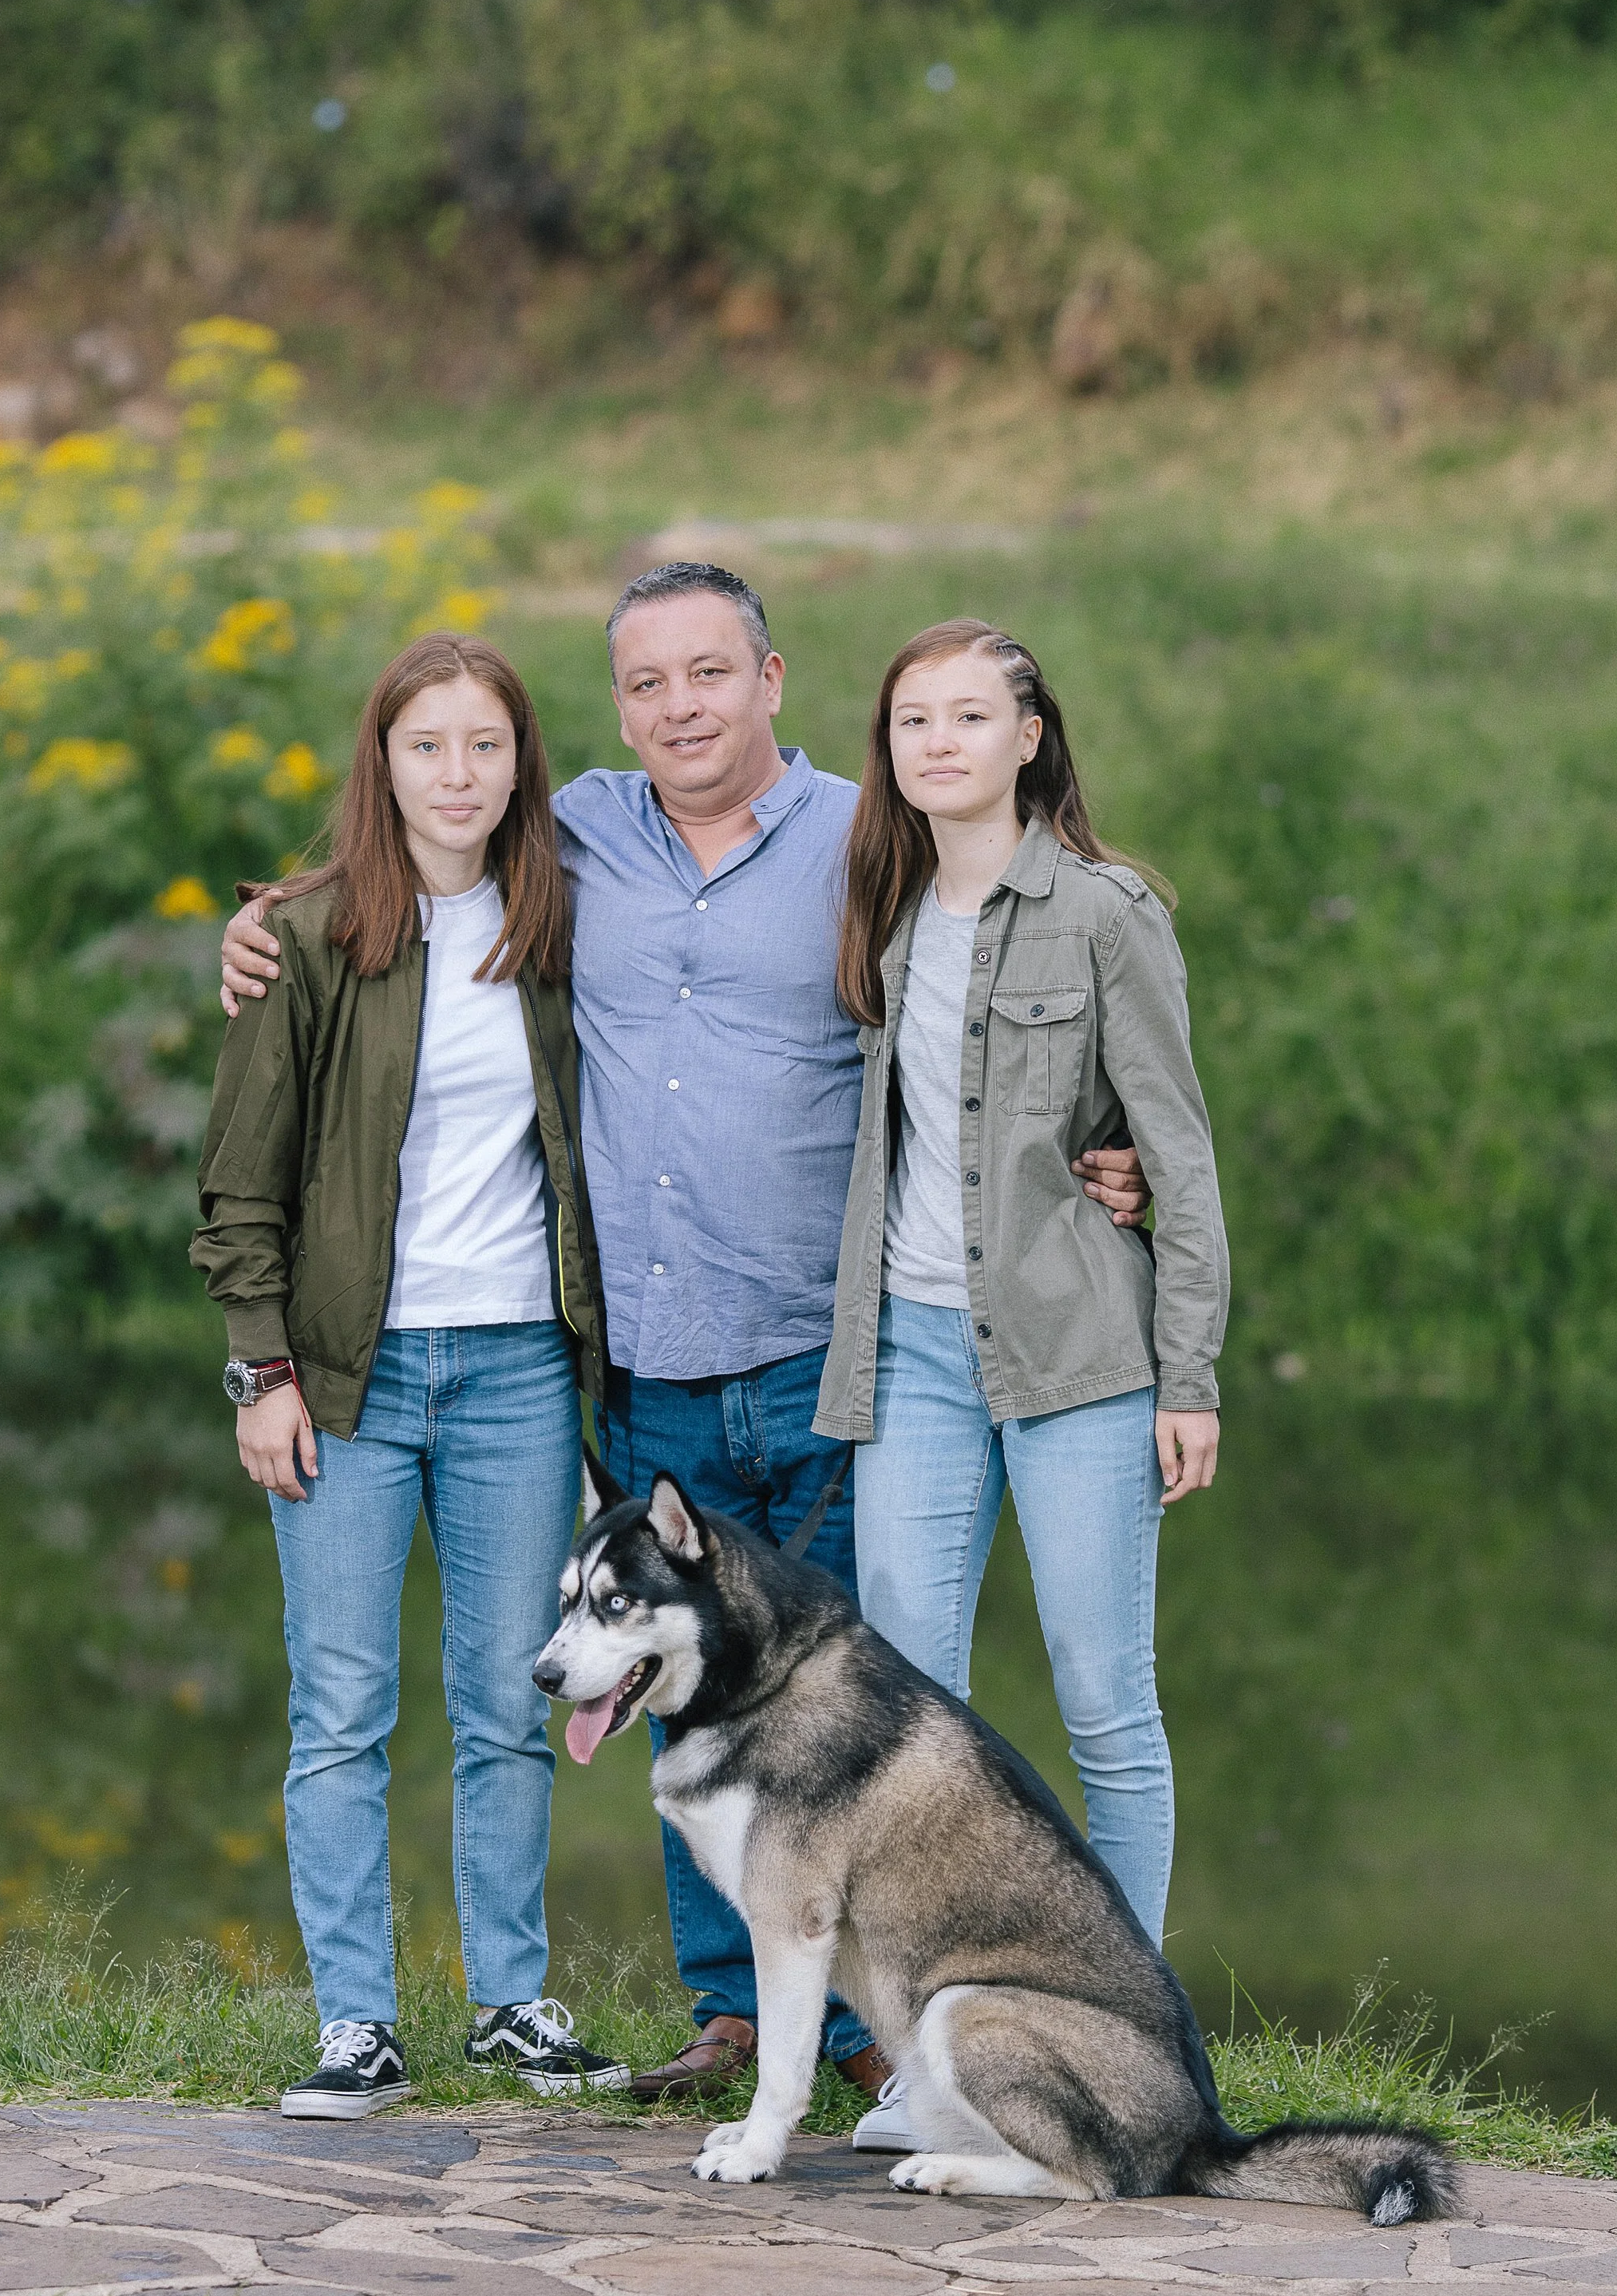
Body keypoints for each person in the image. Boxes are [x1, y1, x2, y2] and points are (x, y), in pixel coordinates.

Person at [219, 565, 1152, 2109]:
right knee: (675, 1689)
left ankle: (881, 2021)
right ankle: (730, 2011)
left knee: (840, 1700)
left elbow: (1021, 958)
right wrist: (263, 936)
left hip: (823, 1347)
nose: (680, 708)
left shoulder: (873, 837)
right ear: (615, 709)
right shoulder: (566, 835)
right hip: (635, 1360)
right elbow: (391, 885)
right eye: (646, 685)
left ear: (771, 678)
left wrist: (1099, 1149)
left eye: (709, 675)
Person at [192, 630, 629, 2117]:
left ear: (523, 766)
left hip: (516, 1371)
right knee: (344, 1706)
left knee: (514, 1699)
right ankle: (356, 2025)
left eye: (487, 746)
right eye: (428, 746)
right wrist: (261, 1375)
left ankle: (511, 2001)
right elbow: (238, 1188)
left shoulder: (560, 924)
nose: (460, 774)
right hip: (344, 1379)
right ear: (383, 762)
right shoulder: (309, 937)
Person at [816, 617, 1229, 1970]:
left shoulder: (1111, 915)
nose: (940, 742)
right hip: (912, 1353)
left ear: (1030, 736)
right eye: (914, 720)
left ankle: (1127, 2034)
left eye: (971, 717)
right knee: (905, 1717)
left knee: (1109, 1702)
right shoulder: (881, 911)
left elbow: (1178, 1155)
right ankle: (930, 2036)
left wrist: (1191, 1378)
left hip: (1080, 1357)